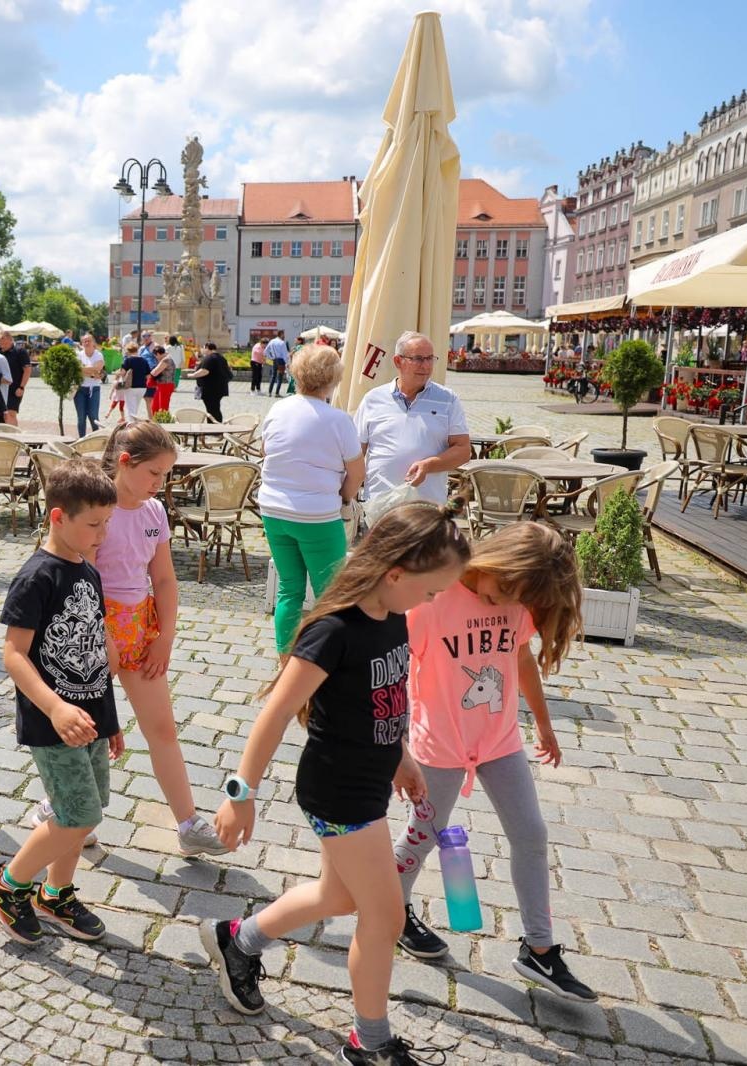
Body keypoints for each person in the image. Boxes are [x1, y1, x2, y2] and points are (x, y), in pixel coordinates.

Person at [199, 502, 469, 1065]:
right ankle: (369, 1044)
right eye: (431, 591)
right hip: (338, 792)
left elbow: (380, 701)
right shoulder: (333, 631)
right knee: (386, 915)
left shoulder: (393, 615)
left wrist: (401, 756)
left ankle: (237, 940)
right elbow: (274, 714)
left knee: (338, 896)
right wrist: (239, 795)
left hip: (369, 783)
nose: (432, 602)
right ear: (396, 573)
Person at [390, 522, 598, 1003]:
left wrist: (543, 724)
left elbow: (519, 657)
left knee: (532, 833)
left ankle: (539, 950)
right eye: (501, 590)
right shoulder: (432, 600)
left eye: (516, 597)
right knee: (420, 839)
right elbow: (395, 675)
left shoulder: (518, 599)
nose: (503, 603)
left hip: (500, 740)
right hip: (439, 746)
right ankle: (391, 912)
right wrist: (398, 749)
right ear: (493, 560)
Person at [36, 423, 228, 855]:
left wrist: (165, 638)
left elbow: (163, 578)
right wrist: (102, 637)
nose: (160, 484)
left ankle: (188, 822)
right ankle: (61, 809)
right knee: (88, 731)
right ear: (125, 462)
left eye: (165, 475)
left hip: (141, 627)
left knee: (162, 728)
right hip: (92, 631)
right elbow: (84, 579)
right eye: (154, 473)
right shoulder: (98, 512)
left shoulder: (153, 512)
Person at [0, 460, 122, 945]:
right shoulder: (37, 576)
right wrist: (55, 708)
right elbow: (14, 654)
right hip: (53, 721)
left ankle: (55, 894)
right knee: (78, 812)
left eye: (107, 524)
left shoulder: (88, 570)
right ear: (59, 518)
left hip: (90, 718)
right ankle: (8, 883)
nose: (102, 534)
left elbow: (96, 651)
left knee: (86, 809)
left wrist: (110, 719)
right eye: (94, 525)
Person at [257, 344, 365, 656]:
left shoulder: (278, 409)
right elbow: (357, 473)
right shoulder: (338, 420)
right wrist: (344, 497)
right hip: (317, 514)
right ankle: (326, 661)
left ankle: (284, 658)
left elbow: (268, 451)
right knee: (330, 594)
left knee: (289, 589)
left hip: (274, 510)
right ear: (334, 378)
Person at [353, 332, 471, 506]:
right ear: (398, 361)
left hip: (427, 508)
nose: (426, 366)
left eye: (430, 358)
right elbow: (355, 452)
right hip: (380, 506)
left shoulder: (448, 399)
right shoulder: (373, 399)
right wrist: (349, 496)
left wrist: (428, 466)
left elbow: (463, 450)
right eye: (418, 359)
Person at [187, 342, 233, 422]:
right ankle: (215, 425)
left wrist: (192, 375)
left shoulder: (210, 358)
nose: (202, 350)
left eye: (203, 348)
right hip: (219, 388)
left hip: (210, 389)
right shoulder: (221, 357)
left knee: (212, 409)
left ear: (207, 348)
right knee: (215, 408)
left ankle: (213, 427)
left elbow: (205, 371)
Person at [73, 333, 104, 437]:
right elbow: (76, 370)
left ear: (93, 342)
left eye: (89, 340)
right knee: (81, 417)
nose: (86, 343)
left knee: (93, 416)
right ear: (82, 343)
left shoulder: (98, 354)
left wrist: (84, 370)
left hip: (94, 389)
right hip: (79, 389)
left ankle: (96, 439)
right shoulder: (78, 355)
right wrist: (92, 372)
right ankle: (81, 440)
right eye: (84, 341)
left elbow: (98, 369)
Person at [0, 330, 32, 426]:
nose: (0, 342)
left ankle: (13, 438)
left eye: (2, 339)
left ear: (10, 339)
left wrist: (22, 387)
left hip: (15, 389)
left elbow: (27, 370)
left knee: (10, 413)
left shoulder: (20, 351)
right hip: (1, 388)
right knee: (1, 415)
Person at [117, 343, 150, 424]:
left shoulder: (128, 360)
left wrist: (117, 373)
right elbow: (148, 376)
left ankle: (131, 428)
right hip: (142, 388)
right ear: (137, 350)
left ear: (128, 351)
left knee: (130, 410)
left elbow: (122, 373)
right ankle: (134, 426)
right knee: (135, 409)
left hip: (130, 387)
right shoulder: (144, 361)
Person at [267, 331, 290, 397]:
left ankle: (269, 392)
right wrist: (287, 363)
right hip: (281, 361)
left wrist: (271, 357)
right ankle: (276, 393)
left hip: (275, 360)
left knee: (273, 376)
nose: (284, 336)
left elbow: (266, 351)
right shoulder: (282, 342)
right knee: (279, 377)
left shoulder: (271, 341)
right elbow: (285, 354)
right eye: (283, 335)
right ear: (281, 334)